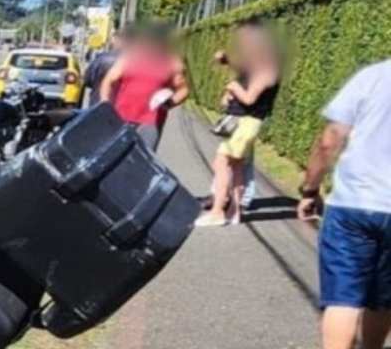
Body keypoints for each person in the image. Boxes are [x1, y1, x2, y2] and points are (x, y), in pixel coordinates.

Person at [295, 58, 391, 349]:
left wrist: (310, 188)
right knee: (384, 293)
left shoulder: (373, 77)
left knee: (343, 296)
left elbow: (330, 140)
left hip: (354, 204)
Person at [197, 22, 280, 226]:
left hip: (246, 124)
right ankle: (234, 212)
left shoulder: (266, 69)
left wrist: (234, 87)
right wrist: (226, 60)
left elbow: (250, 98)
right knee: (236, 167)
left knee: (221, 163)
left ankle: (217, 211)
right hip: (244, 123)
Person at [99, 23, 189, 151]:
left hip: (151, 123)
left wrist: (170, 103)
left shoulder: (173, 62)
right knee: (115, 153)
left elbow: (184, 89)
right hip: (121, 116)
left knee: (142, 157)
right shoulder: (130, 57)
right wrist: (105, 103)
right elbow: (109, 80)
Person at [82, 32, 123, 108]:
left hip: (97, 104)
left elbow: (87, 80)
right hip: (120, 108)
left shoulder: (101, 59)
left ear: (114, 40)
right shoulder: (134, 62)